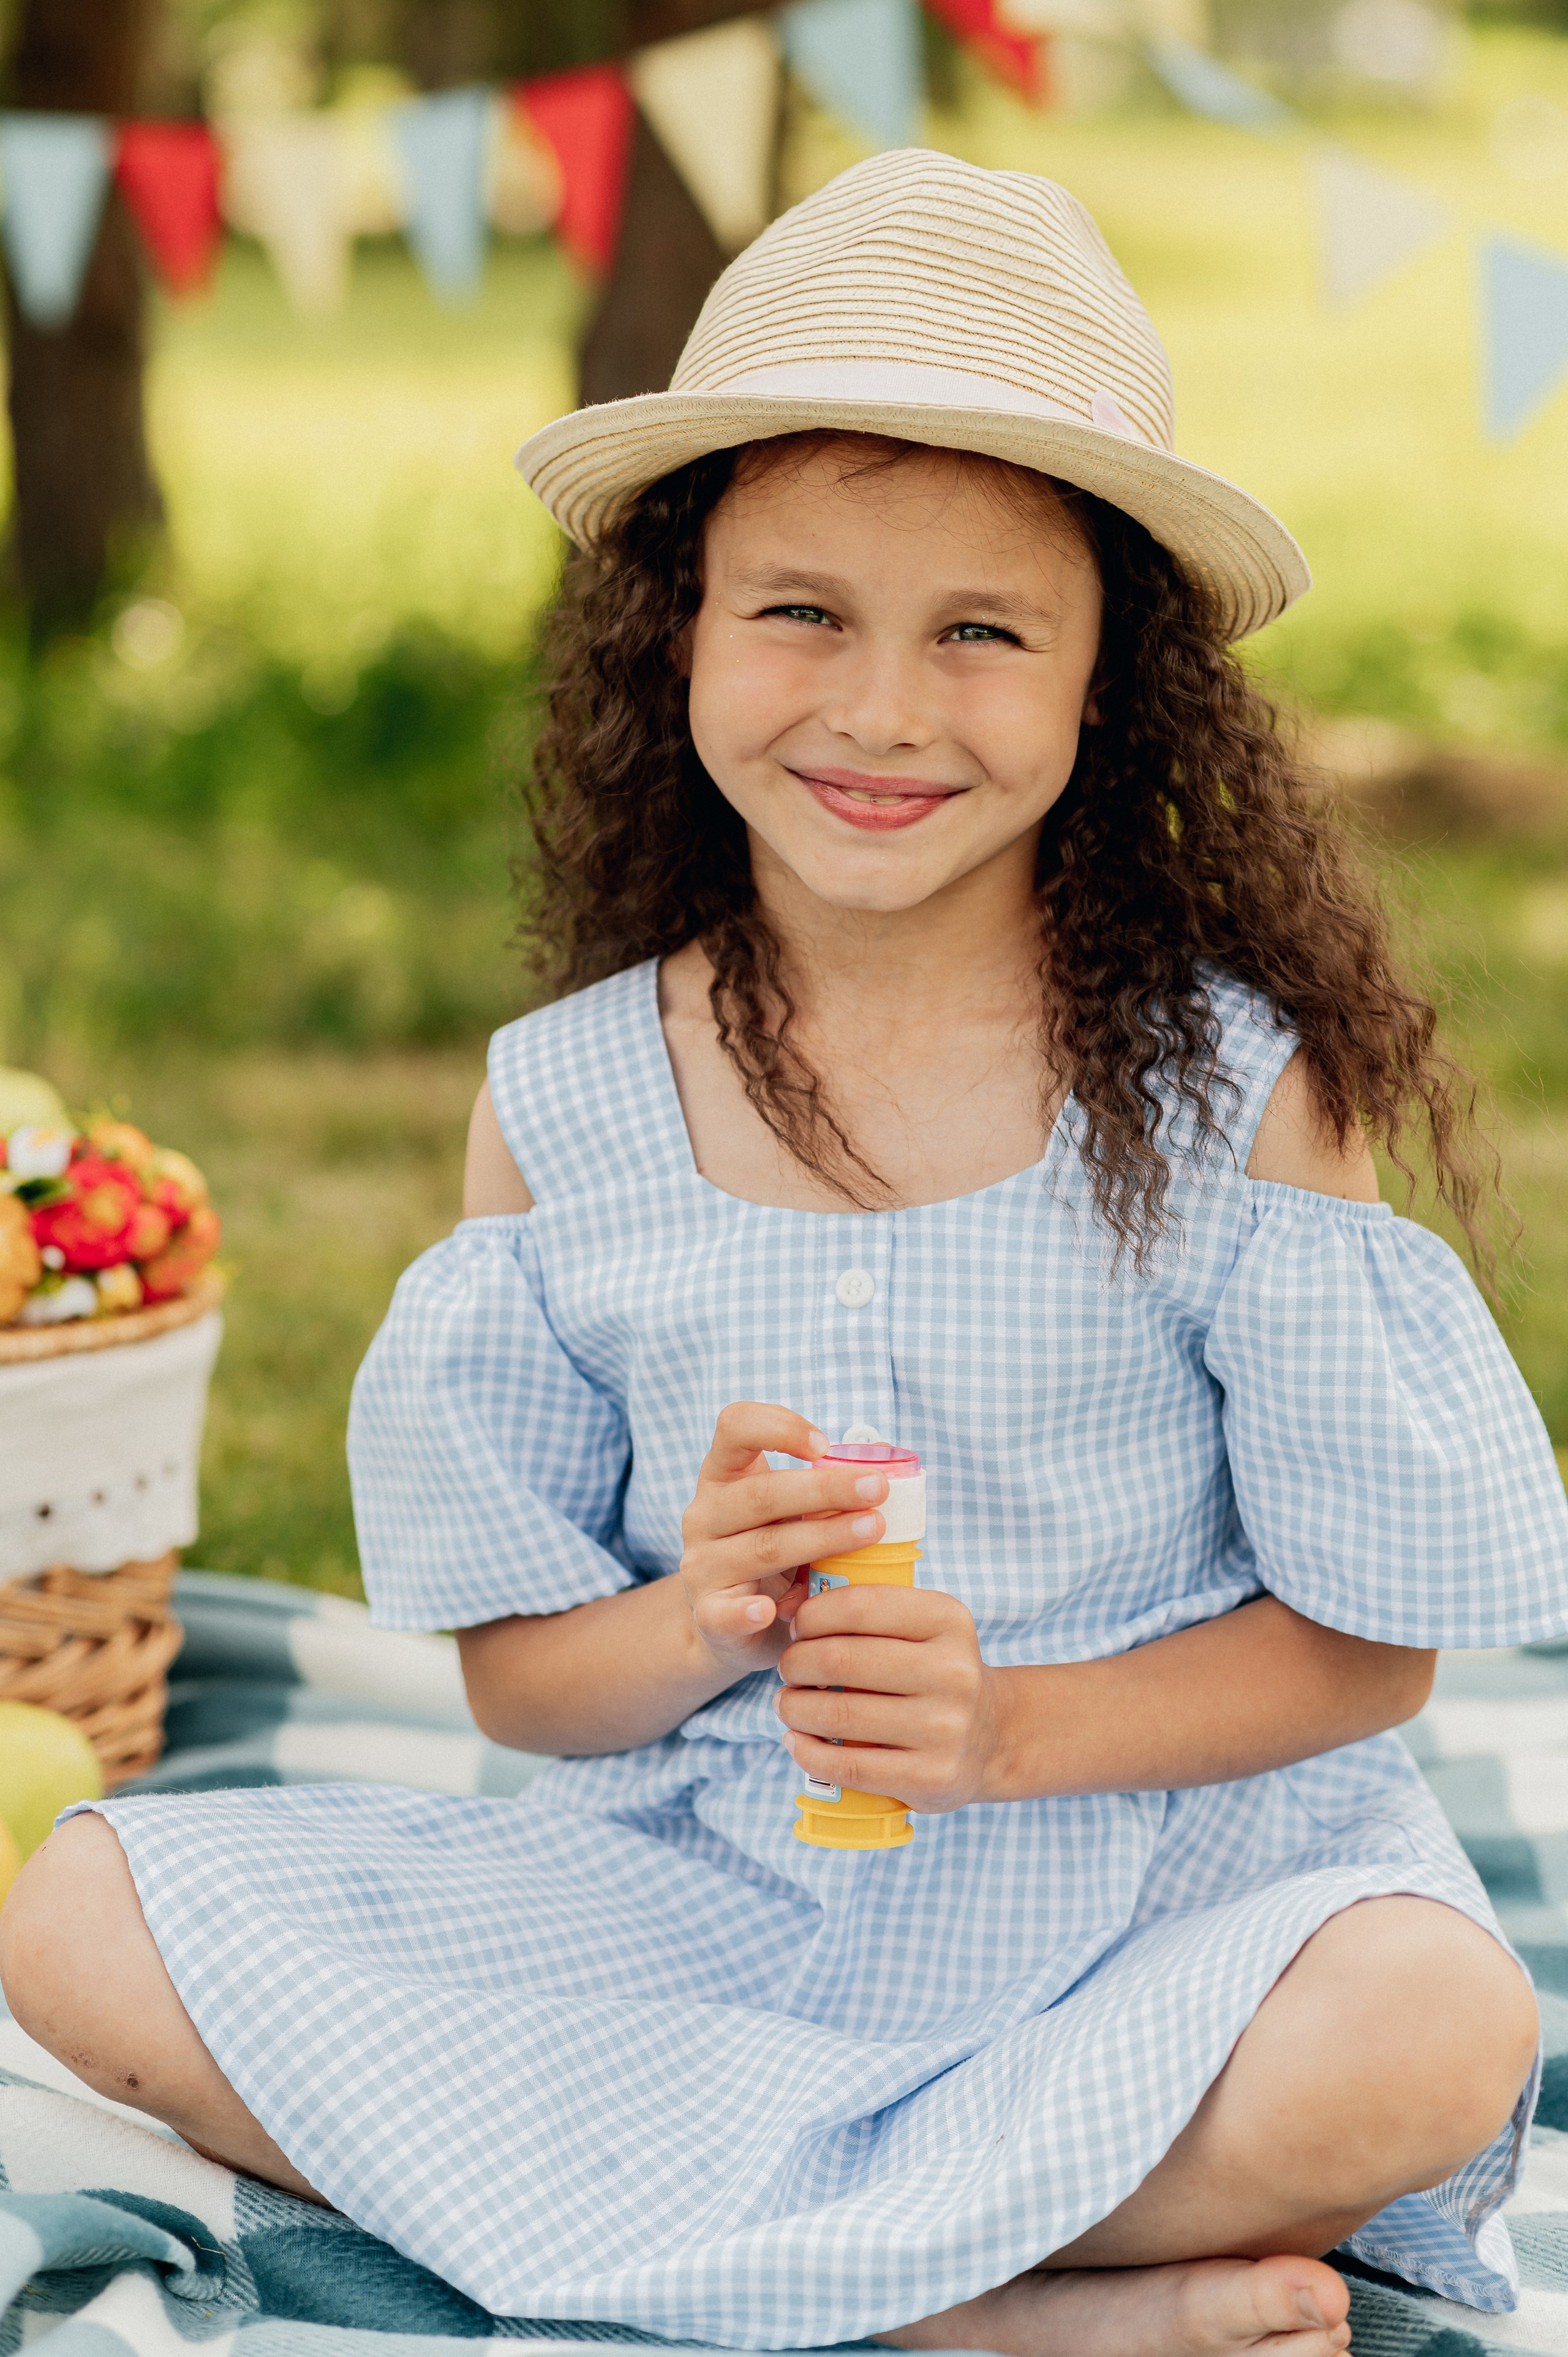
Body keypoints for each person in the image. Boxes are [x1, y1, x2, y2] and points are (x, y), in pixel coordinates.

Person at [5, 149, 1567, 2357]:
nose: (880, 710)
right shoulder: (569, 1103)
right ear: (686, 632)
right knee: (79, 1913)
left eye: (984, 633)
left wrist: (1005, 1732)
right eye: (803, 611)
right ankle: (991, 2308)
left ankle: (720, 2240)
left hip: (1147, 1890)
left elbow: (1369, 1657)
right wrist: (701, 1609)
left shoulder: (1237, 1092)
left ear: (1111, 679)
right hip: (708, 1903)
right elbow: (527, 1691)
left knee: (1437, 2023)